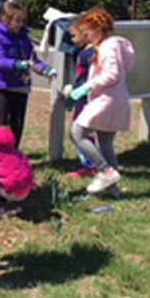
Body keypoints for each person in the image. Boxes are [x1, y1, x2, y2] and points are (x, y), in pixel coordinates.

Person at [65, 8, 135, 195]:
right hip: (114, 100)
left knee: (77, 132)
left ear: (99, 29)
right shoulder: (111, 45)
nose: (87, 36)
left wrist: (88, 86)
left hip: (107, 100)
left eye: (89, 32)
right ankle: (113, 190)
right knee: (105, 142)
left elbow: (112, 74)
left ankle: (105, 171)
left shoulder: (109, 46)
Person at [0, 1, 56, 147]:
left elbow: (32, 60)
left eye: (22, 21)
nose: (20, 24)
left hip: (21, 87)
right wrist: (17, 64)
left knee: (17, 124)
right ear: (5, 19)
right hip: (3, 87)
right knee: (1, 124)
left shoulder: (24, 38)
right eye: (17, 21)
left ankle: (13, 154)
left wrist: (45, 69)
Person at [64, 19, 98, 179]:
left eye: (74, 36)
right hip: (82, 97)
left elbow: (88, 77)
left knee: (78, 131)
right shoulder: (84, 52)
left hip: (85, 98)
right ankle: (91, 163)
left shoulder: (89, 54)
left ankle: (90, 164)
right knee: (81, 131)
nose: (72, 39)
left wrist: (75, 91)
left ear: (86, 34)